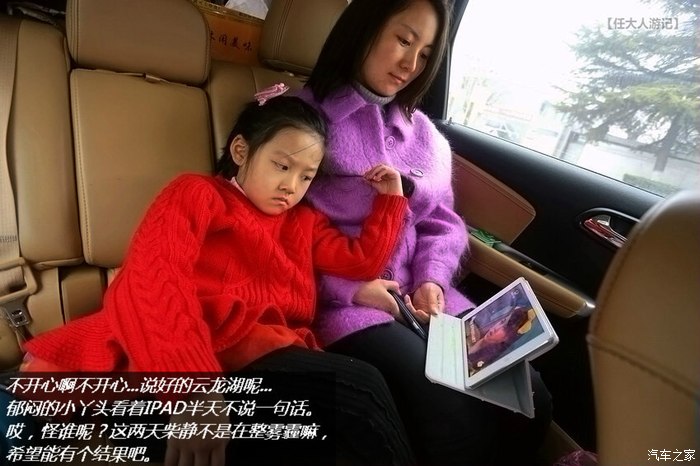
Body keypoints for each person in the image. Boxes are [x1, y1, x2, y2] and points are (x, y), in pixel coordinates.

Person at [20, 92, 416, 465]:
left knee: (350, 411)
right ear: (241, 151)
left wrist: (390, 200)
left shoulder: (303, 222)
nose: (291, 186)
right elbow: (154, 277)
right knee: (360, 390)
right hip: (180, 359)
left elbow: (361, 261)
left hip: (256, 359)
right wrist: (192, 390)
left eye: (307, 176)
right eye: (281, 166)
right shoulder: (197, 194)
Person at [297, 0, 553, 464]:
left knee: (529, 397)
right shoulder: (298, 120)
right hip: (347, 302)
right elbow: (273, 232)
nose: (410, 65)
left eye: (426, 54)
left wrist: (433, 278)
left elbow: (442, 221)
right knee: (445, 409)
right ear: (364, 29)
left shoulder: (425, 135)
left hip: (426, 299)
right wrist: (350, 289)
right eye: (403, 40)